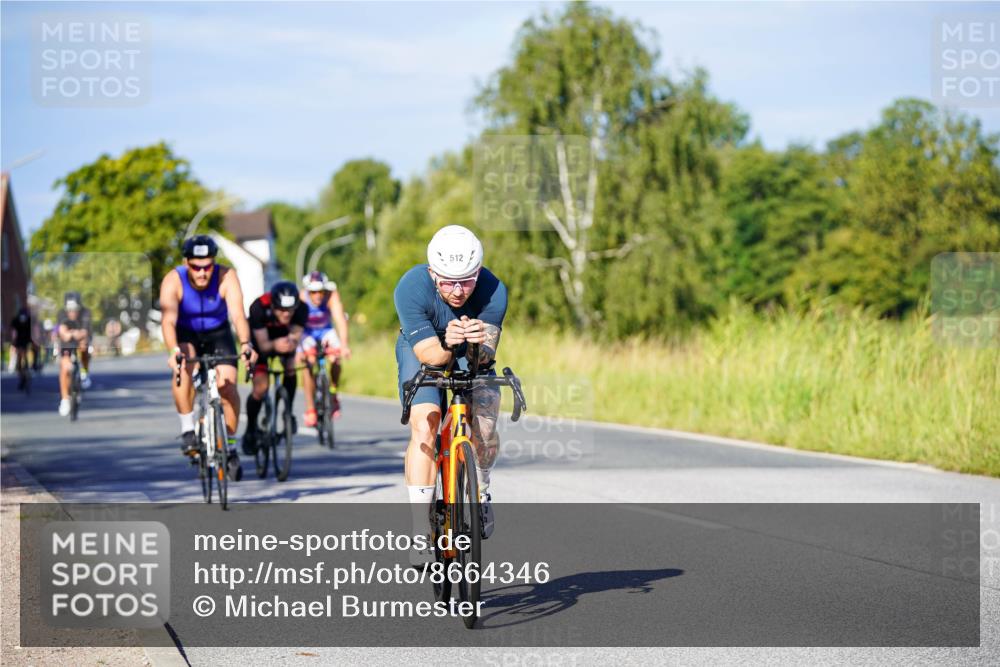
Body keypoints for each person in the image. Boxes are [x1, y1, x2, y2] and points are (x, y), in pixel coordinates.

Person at [394, 225, 507, 564]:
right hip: (425, 347)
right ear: (432, 273)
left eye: (467, 281)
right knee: (425, 424)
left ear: (478, 273)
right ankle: (419, 530)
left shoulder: (493, 289)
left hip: (468, 349)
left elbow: (485, 356)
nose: (458, 291)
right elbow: (430, 356)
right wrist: (448, 342)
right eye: (447, 281)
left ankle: (482, 489)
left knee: (485, 419)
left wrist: (476, 343)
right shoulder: (411, 287)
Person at [159, 235, 256, 480]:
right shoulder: (173, 280)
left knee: (228, 386)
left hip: (218, 333)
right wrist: (174, 351)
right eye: (196, 267)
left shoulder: (226, 277)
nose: (202, 273)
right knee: (183, 365)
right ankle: (188, 429)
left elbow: (238, 315)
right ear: (186, 263)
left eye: (207, 266)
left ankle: (230, 446)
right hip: (186, 333)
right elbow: (168, 321)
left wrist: (246, 344)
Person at [242, 281, 308, 455]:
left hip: (283, 340)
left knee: (291, 367)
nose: (286, 314)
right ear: (273, 305)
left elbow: (295, 336)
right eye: (281, 310)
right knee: (261, 387)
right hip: (261, 341)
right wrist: (274, 345)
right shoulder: (258, 307)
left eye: (290, 310)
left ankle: (288, 411)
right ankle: (251, 427)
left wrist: (291, 343)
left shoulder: (302, 309)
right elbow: (263, 345)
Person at [296, 270, 351, 427]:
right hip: (307, 333)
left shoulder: (332, 296)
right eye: (313, 292)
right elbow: (296, 326)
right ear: (308, 291)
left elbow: (340, 320)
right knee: (309, 363)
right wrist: (299, 351)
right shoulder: (301, 298)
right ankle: (310, 408)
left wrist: (344, 345)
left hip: (326, 331)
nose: (318, 295)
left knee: (336, 358)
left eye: (321, 291)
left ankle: (333, 391)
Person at [56, 293, 93, 415]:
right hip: (66, 343)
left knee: (84, 347)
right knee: (64, 367)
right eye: (69, 310)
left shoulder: (85, 313)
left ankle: (84, 373)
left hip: (81, 340)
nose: (72, 313)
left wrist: (73, 333)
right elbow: (63, 334)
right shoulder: (61, 314)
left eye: (75, 310)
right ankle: (65, 400)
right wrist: (71, 334)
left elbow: (85, 332)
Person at [9, 307, 33, 389]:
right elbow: (14, 333)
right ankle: (23, 372)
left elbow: (13, 333)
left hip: (24, 340)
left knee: (21, 358)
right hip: (21, 341)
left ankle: (24, 371)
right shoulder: (18, 320)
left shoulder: (20, 320)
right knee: (21, 358)